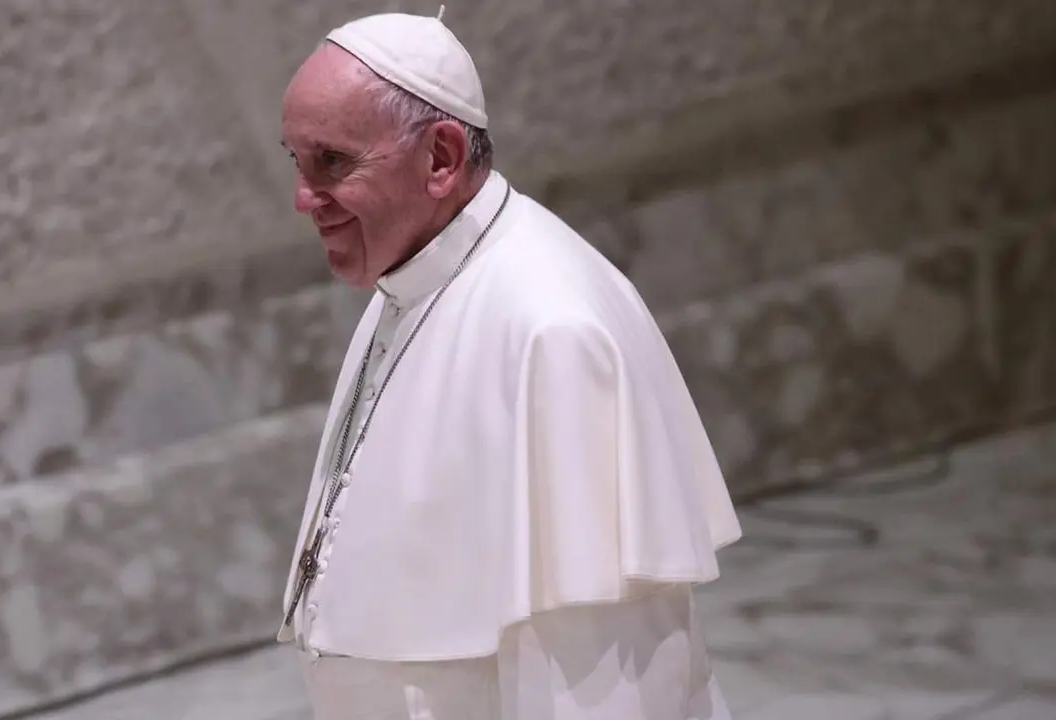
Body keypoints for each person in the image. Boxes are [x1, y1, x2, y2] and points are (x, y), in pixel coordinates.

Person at [275, 9, 742, 719]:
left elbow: (601, 682)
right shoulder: (411, 279)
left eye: (332, 162)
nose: (304, 198)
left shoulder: (553, 333)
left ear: (440, 157)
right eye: (297, 160)